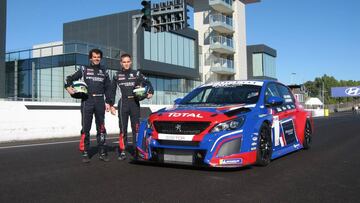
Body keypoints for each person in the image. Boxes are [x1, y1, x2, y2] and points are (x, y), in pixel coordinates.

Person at [64, 48, 112, 163]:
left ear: (101, 58)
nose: (96, 59)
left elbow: (108, 88)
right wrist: (68, 88)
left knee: (101, 127)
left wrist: (109, 102)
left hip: (100, 100)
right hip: (87, 100)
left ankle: (102, 151)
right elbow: (69, 78)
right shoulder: (84, 69)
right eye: (94, 57)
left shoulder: (104, 71)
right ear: (90, 58)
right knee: (86, 127)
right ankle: (85, 152)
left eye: (98, 57)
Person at [110, 53, 154, 161]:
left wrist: (150, 92)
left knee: (136, 128)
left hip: (135, 102)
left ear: (131, 62)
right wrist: (110, 104)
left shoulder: (137, 73)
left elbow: (148, 82)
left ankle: (137, 150)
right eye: (124, 62)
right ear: (121, 63)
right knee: (123, 128)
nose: (126, 64)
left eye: (128, 62)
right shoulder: (116, 75)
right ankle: (122, 150)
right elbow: (112, 91)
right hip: (123, 103)